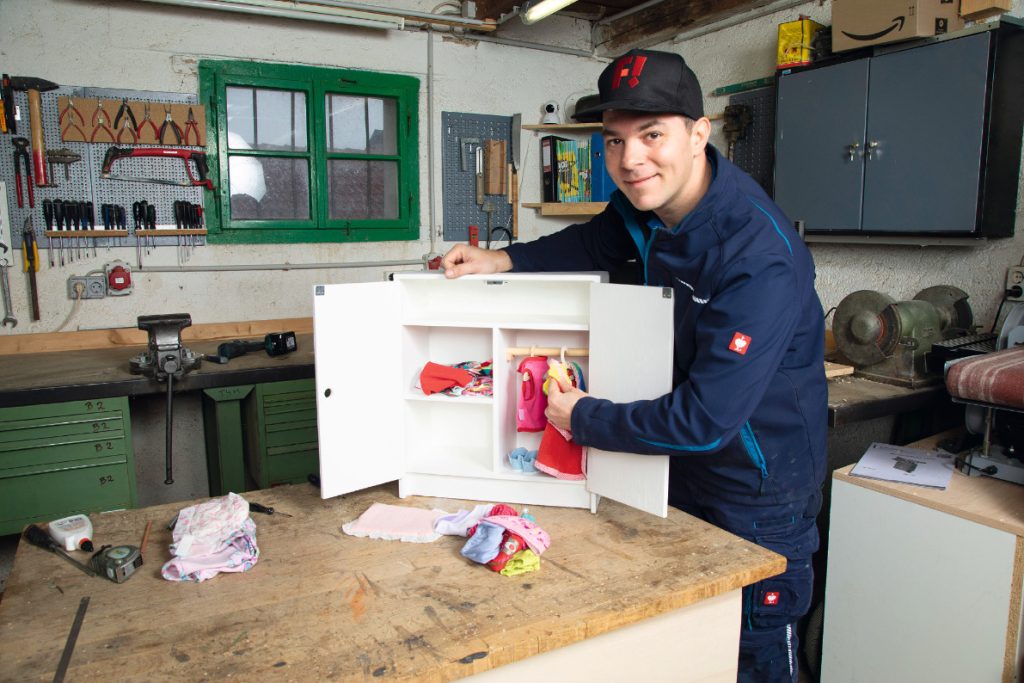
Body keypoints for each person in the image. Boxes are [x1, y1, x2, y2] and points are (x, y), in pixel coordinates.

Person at [442, 48, 827, 683]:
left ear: (700, 134)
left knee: (746, 654)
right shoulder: (644, 212)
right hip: (674, 474)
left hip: (756, 493)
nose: (630, 160)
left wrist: (581, 417)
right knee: (679, 648)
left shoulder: (759, 256)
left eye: (653, 135)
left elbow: (706, 421)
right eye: (615, 140)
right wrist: (501, 261)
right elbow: (590, 240)